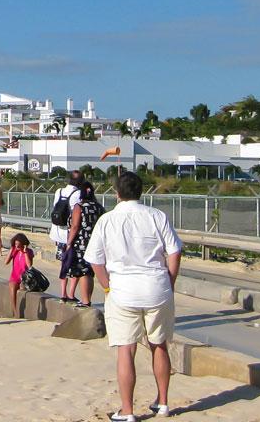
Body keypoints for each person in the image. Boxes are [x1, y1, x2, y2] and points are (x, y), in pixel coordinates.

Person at [85, 171, 183, 422]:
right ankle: (163, 403)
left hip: (123, 288)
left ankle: (127, 410)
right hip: (157, 285)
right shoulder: (157, 216)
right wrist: (169, 281)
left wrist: (106, 286)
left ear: (117, 193)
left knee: (125, 349)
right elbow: (174, 251)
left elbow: (95, 260)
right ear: (141, 191)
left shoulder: (107, 220)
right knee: (159, 345)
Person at [65, 181, 104, 308]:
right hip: (96, 241)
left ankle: (85, 300)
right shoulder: (99, 207)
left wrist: (69, 242)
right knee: (90, 272)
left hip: (81, 242)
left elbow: (75, 226)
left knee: (83, 272)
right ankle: (88, 299)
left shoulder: (79, 206)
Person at [48, 169, 83, 303]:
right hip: (70, 235)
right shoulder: (78, 194)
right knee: (76, 265)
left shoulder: (59, 191)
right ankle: (71, 294)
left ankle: (62, 293)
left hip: (57, 233)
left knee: (63, 264)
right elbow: (76, 218)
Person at [4, 233, 34, 313]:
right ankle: (15, 311)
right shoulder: (14, 251)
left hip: (25, 278)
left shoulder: (29, 252)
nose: (17, 246)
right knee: (13, 289)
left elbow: (29, 265)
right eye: (15, 244)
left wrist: (25, 253)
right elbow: (6, 262)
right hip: (15, 277)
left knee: (22, 288)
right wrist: (11, 250)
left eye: (18, 244)